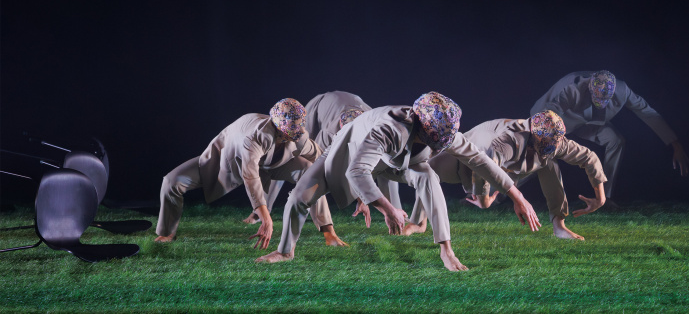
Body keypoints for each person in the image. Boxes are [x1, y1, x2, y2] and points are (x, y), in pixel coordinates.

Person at [255, 91, 542, 271]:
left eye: (446, 140)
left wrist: (519, 197)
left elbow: (481, 161)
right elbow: (357, 170)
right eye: (437, 139)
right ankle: (284, 252)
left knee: (428, 175)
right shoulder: (389, 129)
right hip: (349, 154)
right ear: (422, 125)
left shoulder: (445, 131)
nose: (442, 145)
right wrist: (387, 208)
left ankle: (446, 250)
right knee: (299, 197)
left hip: (395, 163)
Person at [155, 98, 345, 248]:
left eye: (295, 133)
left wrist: (340, 177)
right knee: (172, 181)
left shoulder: (298, 134)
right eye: (288, 133)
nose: (291, 137)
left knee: (309, 171)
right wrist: (266, 219)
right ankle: (167, 232)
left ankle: (330, 234)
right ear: (277, 125)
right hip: (231, 165)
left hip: (273, 165)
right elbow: (250, 177)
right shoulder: (253, 137)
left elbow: (321, 158)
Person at [407, 110, 607, 240]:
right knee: (428, 169)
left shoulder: (555, 141)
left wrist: (600, 197)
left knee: (549, 164)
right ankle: (418, 222)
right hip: (468, 160)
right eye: (544, 145)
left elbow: (588, 157)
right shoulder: (507, 141)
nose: (548, 148)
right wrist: (483, 199)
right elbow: (483, 164)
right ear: (533, 134)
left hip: (507, 168)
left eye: (552, 145)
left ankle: (559, 225)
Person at [531, 70, 689, 204]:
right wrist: (548, 133)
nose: (601, 103)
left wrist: (675, 144)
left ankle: (604, 199)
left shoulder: (623, 90)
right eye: (597, 98)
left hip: (587, 122)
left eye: (605, 99)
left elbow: (647, 112)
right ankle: (507, 189)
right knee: (539, 154)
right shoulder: (574, 87)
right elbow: (552, 109)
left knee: (616, 140)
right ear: (590, 89)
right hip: (552, 117)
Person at [245, 91, 375, 223]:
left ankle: (310, 212)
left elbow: (357, 168)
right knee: (286, 157)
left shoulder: (374, 130)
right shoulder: (330, 133)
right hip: (317, 108)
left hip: (345, 105)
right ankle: (260, 212)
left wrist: (362, 199)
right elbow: (319, 162)